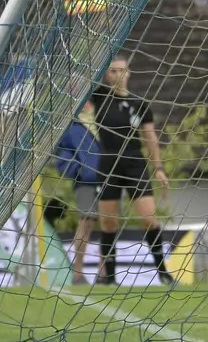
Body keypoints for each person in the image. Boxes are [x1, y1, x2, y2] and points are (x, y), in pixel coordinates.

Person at [91, 57, 172, 285]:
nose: (117, 75)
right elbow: (75, 83)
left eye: (121, 71)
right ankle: (110, 277)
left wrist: (158, 168)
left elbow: (150, 137)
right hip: (108, 164)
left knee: (148, 217)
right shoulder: (98, 98)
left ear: (129, 73)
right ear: (107, 75)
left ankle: (164, 273)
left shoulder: (139, 103)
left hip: (135, 163)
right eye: (113, 71)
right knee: (108, 222)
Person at [54, 100, 103, 285]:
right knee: (86, 220)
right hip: (85, 181)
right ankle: (78, 272)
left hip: (110, 176)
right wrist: (78, 170)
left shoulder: (103, 111)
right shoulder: (69, 123)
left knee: (110, 222)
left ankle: (105, 273)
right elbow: (61, 153)